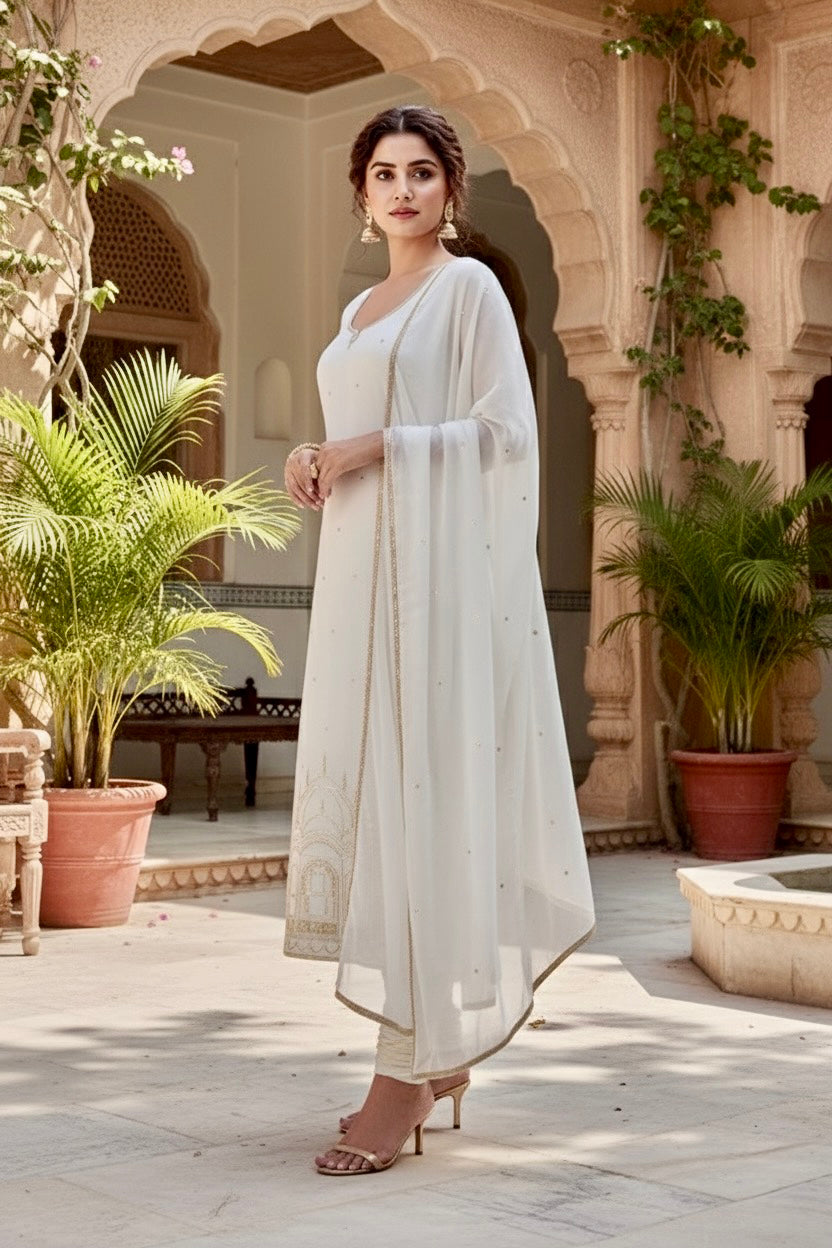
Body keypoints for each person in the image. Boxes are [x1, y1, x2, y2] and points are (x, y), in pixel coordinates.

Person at [283, 104, 595, 1177]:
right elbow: (360, 434)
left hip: (434, 596)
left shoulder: (467, 291)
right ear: (362, 194)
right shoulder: (357, 310)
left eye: (422, 172)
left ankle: (406, 1071)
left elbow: (506, 432)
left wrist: (376, 445)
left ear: (450, 189)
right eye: (384, 173)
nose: (403, 190)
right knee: (380, 807)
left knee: (422, 804)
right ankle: (437, 1048)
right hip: (363, 589)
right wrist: (318, 457)